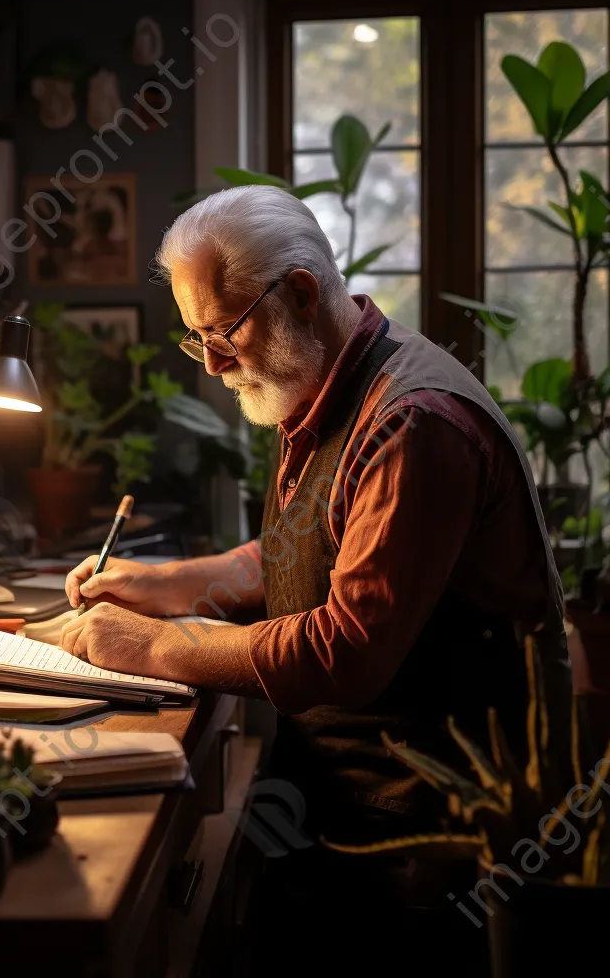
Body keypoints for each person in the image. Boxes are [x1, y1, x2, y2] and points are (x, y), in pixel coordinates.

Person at [60, 184, 570, 845]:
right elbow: (316, 551)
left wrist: (157, 645)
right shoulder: (319, 374)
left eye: (222, 330)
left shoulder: (412, 425)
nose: (212, 363)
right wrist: (173, 584)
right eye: (198, 336)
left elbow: (344, 651)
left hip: (440, 829)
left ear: (299, 294)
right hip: (354, 792)